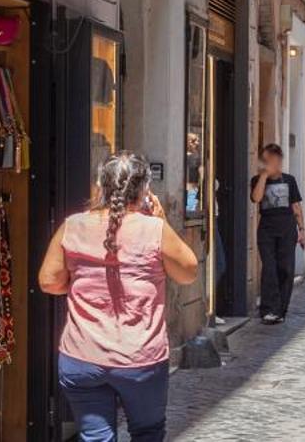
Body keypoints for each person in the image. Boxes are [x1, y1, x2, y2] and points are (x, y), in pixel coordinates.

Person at [39, 151, 200, 441]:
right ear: (145, 190)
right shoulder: (154, 229)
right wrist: (161, 223)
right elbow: (188, 272)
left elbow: (49, 282)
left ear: (99, 186)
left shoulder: (73, 225)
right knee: (147, 432)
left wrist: (81, 285)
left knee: (95, 436)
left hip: (82, 354)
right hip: (140, 358)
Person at [249, 144, 305, 325]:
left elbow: (296, 206)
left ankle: (280, 310)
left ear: (279, 161)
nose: (269, 164)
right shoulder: (257, 180)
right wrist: (264, 176)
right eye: (265, 161)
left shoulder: (289, 180)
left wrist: (302, 231)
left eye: (272, 160)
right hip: (266, 228)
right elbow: (256, 199)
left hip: (287, 228)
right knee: (269, 268)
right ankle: (268, 309)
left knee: (286, 269)